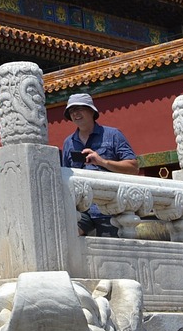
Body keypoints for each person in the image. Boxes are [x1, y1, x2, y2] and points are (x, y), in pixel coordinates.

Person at [59, 93, 138, 237]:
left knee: (110, 253)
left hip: (109, 208)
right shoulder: (68, 143)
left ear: (91, 111)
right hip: (81, 210)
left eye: (79, 108)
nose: (75, 113)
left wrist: (102, 162)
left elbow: (133, 168)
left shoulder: (113, 135)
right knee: (66, 237)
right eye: (71, 111)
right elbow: (65, 176)